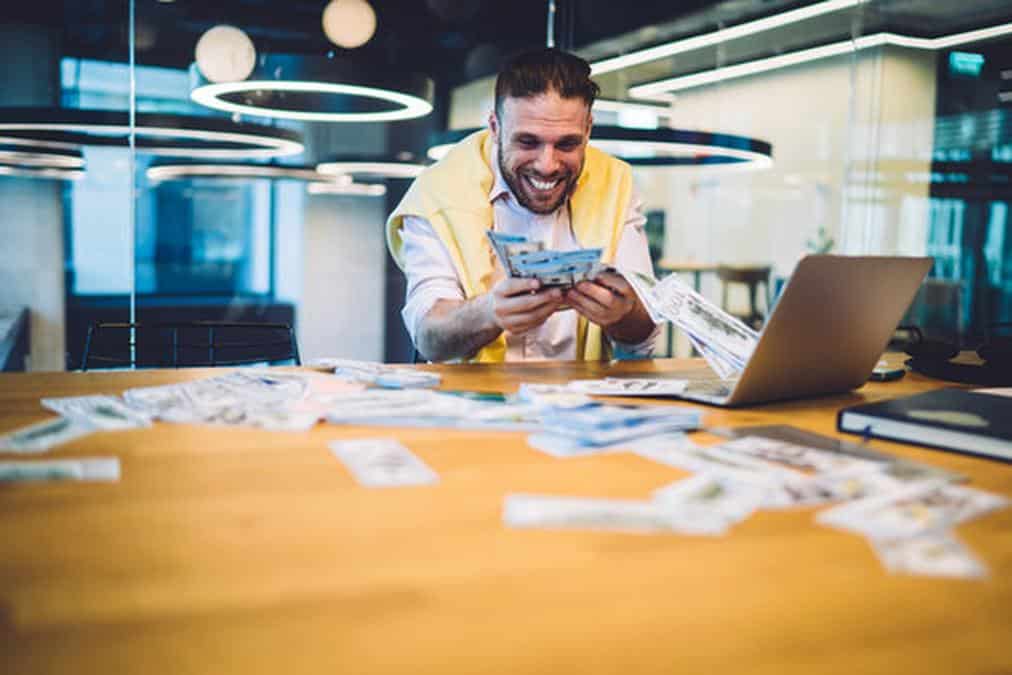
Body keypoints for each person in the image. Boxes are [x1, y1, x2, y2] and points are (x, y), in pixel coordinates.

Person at [386, 48, 658, 363]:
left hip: (582, 403)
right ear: (495, 127)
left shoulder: (616, 182)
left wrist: (623, 314)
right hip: (474, 405)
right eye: (528, 142)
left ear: (588, 130)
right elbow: (428, 336)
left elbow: (644, 338)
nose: (547, 165)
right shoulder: (436, 192)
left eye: (567, 144)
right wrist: (488, 313)